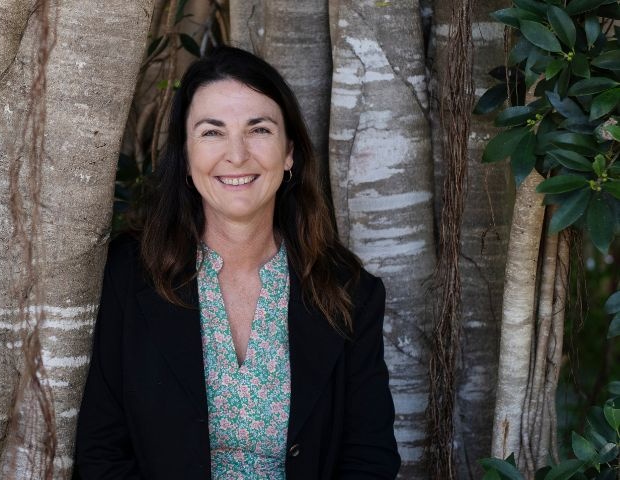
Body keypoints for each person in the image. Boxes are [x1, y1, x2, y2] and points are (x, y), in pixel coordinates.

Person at [74, 46, 400, 479]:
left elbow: (369, 459)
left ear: (289, 154)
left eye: (258, 129)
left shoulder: (349, 293)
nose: (237, 154)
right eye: (212, 132)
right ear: (187, 158)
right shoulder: (128, 274)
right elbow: (101, 453)